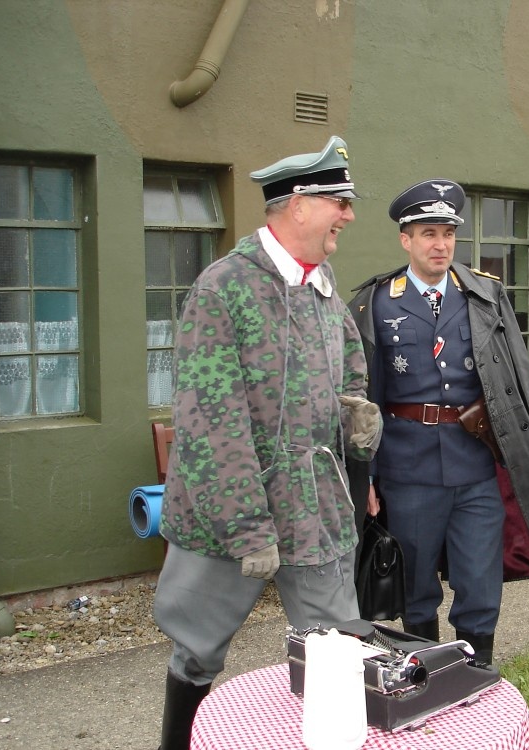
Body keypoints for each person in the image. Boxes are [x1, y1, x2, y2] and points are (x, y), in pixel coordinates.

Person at [152, 136, 382, 750]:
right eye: (341, 202)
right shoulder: (222, 289)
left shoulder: (322, 282)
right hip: (230, 513)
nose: (350, 215)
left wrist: (355, 410)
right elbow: (208, 423)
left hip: (314, 505)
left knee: (337, 653)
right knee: (197, 650)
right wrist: (248, 528)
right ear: (298, 204)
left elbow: (350, 360)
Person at [348, 179, 529, 665]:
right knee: (415, 586)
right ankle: (423, 672)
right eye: (429, 233)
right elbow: (365, 398)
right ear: (406, 239)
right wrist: (368, 476)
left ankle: (477, 673)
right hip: (408, 466)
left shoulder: (484, 295)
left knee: (479, 580)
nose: (440, 245)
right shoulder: (376, 302)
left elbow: (515, 372)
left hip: (475, 463)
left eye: (448, 234)